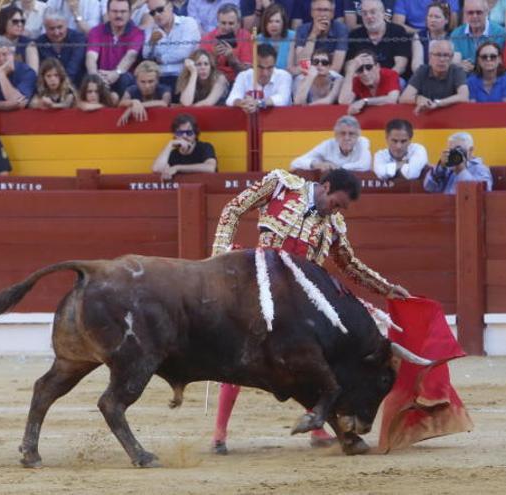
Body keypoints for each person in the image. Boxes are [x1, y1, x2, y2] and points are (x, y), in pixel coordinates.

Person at [210, 167, 411, 455]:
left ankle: (317, 429)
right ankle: (219, 434)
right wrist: (221, 258)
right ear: (325, 187)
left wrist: (386, 288)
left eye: (342, 208)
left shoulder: (335, 225)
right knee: (242, 355)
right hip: (262, 290)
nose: (336, 211)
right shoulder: (281, 185)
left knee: (308, 363)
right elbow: (233, 208)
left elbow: (350, 265)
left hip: (298, 305)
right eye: (336, 203)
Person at [86, 0, 145, 96]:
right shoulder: (96, 31)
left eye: (123, 12)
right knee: (88, 78)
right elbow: (91, 57)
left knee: (124, 78)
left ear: (130, 13)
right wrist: (94, 76)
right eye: (114, 11)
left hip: (124, 78)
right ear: (108, 13)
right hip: (101, 77)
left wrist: (116, 72)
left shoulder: (137, 33)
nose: (119, 15)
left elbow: (131, 56)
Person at [142, 0, 202, 89]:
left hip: (183, 76)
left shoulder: (188, 23)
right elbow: (145, 55)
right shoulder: (151, 28)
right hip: (159, 78)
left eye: (160, 9)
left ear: (170, 6)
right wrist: (151, 43)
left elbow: (184, 52)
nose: (157, 15)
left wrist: (161, 59)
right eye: (152, 12)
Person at [345, 0, 412, 79]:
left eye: (373, 12)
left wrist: (381, 80)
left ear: (383, 13)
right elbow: (348, 65)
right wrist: (362, 78)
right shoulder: (355, 35)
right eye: (364, 13)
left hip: (390, 78)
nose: (368, 16)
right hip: (363, 79)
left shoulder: (398, 31)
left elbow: (400, 66)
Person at [399, 39, 468, 114]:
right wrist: (418, 99)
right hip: (426, 117)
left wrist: (438, 103)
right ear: (430, 56)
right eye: (437, 55)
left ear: (451, 58)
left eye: (446, 55)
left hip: (451, 116)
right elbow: (403, 98)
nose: (442, 59)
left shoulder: (457, 71)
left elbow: (464, 96)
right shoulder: (422, 71)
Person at [290, 115, 371, 172]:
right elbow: (295, 163)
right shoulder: (328, 145)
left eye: (351, 134)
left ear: (358, 136)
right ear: (335, 136)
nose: (347, 138)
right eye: (342, 133)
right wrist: (317, 164)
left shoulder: (363, 142)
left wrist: (336, 168)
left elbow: (364, 166)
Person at [226, 43, 292, 111]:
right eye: (260, 67)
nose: (265, 73)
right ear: (253, 64)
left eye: (269, 68)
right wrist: (242, 103)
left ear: (275, 64)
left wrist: (258, 103)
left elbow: (282, 99)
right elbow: (231, 99)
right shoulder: (243, 76)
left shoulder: (284, 76)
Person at [151, 113, 217, 180]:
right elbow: (156, 169)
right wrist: (169, 145)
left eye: (189, 133)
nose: (184, 136)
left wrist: (178, 168)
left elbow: (210, 168)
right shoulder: (173, 154)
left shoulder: (205, 147)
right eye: (180, 133)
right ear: (175, 135)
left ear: (195, 134)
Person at [423, 131, 493, 193]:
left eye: (458, 150)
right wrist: (440, 167)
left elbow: (482, 192)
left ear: (470, 150)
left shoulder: (481, 169)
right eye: (451, 150)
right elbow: (429, 187)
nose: (454, 154)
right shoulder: (448, 168)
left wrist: (461, 171)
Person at [199, 4, 252, 83]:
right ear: (218, 22)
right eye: (223, 23)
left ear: (238, 23)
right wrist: (214, 56)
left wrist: (232, 59)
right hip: (214, 81)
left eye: (231, 23)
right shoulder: (207, 39)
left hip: (239, 81)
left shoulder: (246, 36)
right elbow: (202, 72)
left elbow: (247, 73)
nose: (227, 27)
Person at [450, 0, 506, 73]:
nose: (474, 16)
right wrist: (459, 65)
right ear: (465, 14)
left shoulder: (500, 33)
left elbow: (500, 62)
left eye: (479, 12)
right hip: (464, 77)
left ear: (487, 12)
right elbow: (454, 61)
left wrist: (473, 66)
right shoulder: (456, 34)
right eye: (470, 13)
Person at [339, 49, 401, 114]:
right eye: (360, 69)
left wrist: (365, 101)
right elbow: (343, 101)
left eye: (369, 67)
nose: (365, 73)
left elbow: (392, 99)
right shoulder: (357, 79)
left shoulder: (390, 74)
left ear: (378, 66)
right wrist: (350, 71)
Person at [294, 0, 348, 74]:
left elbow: (336, 68)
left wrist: (318, 76)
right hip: (306, 75)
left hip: (330, 77)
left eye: (326, 10)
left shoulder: (341, 29)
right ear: (312, 13)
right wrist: (313, 33)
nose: (322, 14)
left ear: (332, 13)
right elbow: (300, 62)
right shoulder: (302, 29)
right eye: (318, 10)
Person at [37, 8, 87, 86]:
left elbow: (73, 68)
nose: (56, 32)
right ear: (45, 28)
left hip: (77, 87)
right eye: (52, 28)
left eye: (59, 27)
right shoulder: (39, 43)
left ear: (66, 24)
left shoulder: (78, 39)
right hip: (49, 90)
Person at [117, 60, 172, 126]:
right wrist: (134, 102)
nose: (147, 86)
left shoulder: (164, 89)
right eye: (143, 82)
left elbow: (164, 103)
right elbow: (121, 103)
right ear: (136, 81)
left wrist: (133, 107)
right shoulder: (132, 89)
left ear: (157, 80)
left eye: (151, 81)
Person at [413, 2, 452, 74]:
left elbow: (453, 64)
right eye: (430, 16)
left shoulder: (452, 36)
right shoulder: (419, 36)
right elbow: (416, 66)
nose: (432, 20)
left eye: (437, 17)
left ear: (446, 20)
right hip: (423, 77)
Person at [256, 3, 296, 71]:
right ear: (265, 23)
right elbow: (258, 66)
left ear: (283, 23)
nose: (273, 25)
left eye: (277, 21)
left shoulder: (292, 36)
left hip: (286, 76)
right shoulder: (259, 39)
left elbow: (290, 67)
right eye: (270, 21)